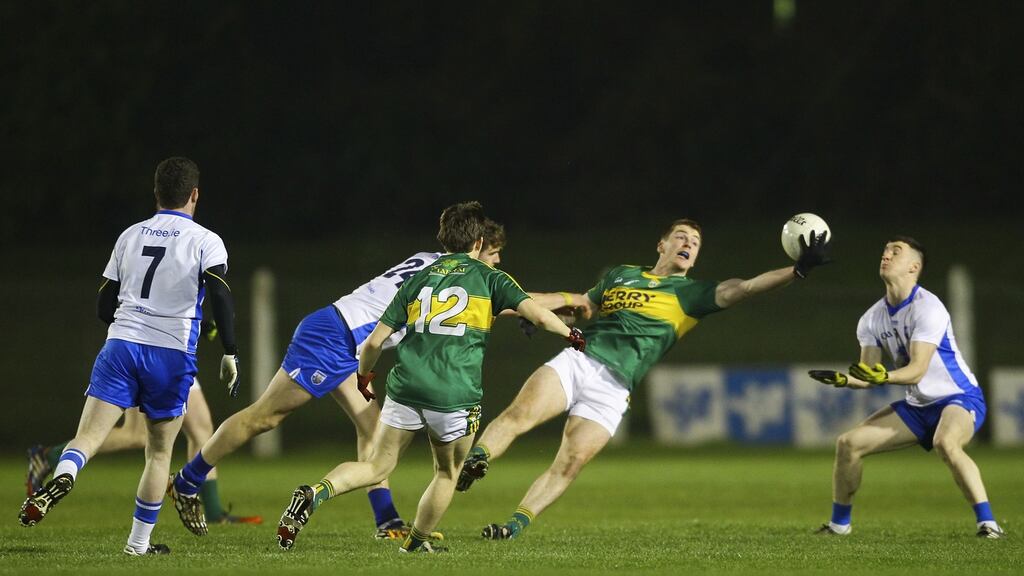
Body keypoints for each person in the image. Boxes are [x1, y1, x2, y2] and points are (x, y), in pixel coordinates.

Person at [457, 218, 831, 540]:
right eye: (682, 237)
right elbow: (583, 306)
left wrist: (796, 271)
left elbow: (748, 287)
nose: (689, 244)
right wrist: (546, 317)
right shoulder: (623, 274)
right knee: (519, 415)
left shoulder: (693, 294)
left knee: (569, 464)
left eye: (696, 242)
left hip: (615, 389)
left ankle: (513, 526)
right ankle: (476, 460)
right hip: (580, 361)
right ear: (662, 244)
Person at [274, 201, 586, 553]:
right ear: (479, 244)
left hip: (405, 386)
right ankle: (415, 543)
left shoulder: (418, 278)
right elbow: (539, 315)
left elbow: (374, 341)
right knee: (446, 472)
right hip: (453, 392)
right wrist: (571, 335)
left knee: (377, 465)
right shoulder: (490, 278)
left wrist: (363, 377)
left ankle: (314, 493)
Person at [18, 157, 240, 556]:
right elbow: (220, 294)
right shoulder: (206, 239)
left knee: (88, 436)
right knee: (157, 453)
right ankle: (138, 545)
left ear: (156, 193)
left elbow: (105, 304)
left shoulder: (130, 235)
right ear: (194, 195)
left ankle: (65, 472)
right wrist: (229, 351)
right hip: (170, 355)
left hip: (120, 345)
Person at [808, 236, 1004, 539]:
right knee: (848, 444)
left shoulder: (928, 308)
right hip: (918, 406)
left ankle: (988, 525)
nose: (886, 255)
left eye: (895, 252)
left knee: (946, 443)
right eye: (885, 250)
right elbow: (870, 374)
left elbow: (916, 370)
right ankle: (838, 526)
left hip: (959, 397)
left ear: (914, 266)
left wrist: (882, 376)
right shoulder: (871, 319)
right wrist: (846, 380)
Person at [26, 377, 261, 525]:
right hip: (148, 345)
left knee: (201, 429)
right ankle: (49, 456)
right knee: (136, 435)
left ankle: (213, 511)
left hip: (176, 349)